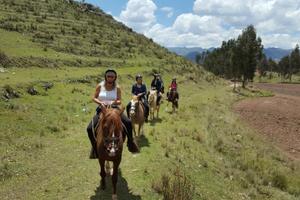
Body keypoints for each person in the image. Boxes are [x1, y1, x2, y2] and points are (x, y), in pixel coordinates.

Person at [86, 69, 139, 159]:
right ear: (105, 77)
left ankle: (131, 143)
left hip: (114, 109)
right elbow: (94, 98)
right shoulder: (100, 86)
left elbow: (119, 100)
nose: (110, 78)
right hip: (102, 109)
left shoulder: (117, 87)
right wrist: (100, 103)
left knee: (128, 122)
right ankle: (95, 149)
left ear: (115, 78)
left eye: (112, 76)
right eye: (108, 76)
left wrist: (114, 103)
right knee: (89, 128)